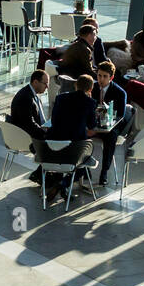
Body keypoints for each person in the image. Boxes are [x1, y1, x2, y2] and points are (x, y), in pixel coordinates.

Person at [45, 74, 101, 203]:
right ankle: (62, 185)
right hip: (75, 148)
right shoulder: (90, 102)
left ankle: (61, 187)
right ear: (90, 89)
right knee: (82, 167)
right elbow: (92, 126)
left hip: (54, 145)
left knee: (63, 162)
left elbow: (53, 120)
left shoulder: (60, 98)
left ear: (75, 85)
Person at [9, 69, 50, 185]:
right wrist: (44, 133)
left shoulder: (31, 94)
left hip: (30, 131)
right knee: (55, 143)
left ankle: (43, 174)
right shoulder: (26, 98)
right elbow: (28, 123)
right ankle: (42, 175)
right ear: (35, 82)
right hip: (25, 137)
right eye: (45, 83)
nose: (47, 87)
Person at [90, 61, 128, 187]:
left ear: (111, 77)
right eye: (99, 75)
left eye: (104, 76)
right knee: (78, 132)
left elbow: (120, 116)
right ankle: (81, 170)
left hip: (110, 127)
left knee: (111, 138)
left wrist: (105, 125)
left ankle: (104, 172)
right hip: (93, 125)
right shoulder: (91, 88)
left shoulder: (119, 92)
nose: (101, 79)